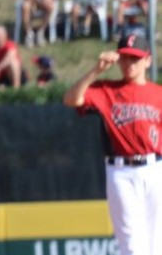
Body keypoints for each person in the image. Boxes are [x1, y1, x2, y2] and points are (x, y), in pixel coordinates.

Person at [63, 35, 162, 255]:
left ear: (148, 61)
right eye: (124, 58)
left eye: (134, 59)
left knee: (157, 246)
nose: (128, 64)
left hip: (156, 169)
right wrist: (96, 71)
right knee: (133, 247)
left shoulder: (159, 94)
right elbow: (70, 99)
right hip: (121, 172)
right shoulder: (106, 89)